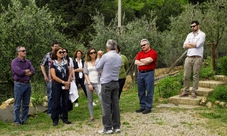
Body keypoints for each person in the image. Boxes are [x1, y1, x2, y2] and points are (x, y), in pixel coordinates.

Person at [96, 39, 122, 134]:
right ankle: (117, 126)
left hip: (106, 83)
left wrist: (99, 57)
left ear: (107, 48)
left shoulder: (105, 56)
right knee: (115, 104)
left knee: (106, 105)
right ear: (115, 47)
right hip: (115, 82)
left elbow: (97, 67)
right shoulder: (119, 57)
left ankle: (108, 127)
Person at [179, 20, 206, 98]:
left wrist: (190, 44)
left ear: (198, 26)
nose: (192, 28)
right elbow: (184, 45)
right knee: (186, 75)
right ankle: (185, 91)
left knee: (195, 75)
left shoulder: (202, 34)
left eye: (194, 26)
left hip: (197, 57)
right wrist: (193, 45)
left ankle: (194, 92)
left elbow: (198, 45)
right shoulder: (189, 35)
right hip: (189, 56)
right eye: (191, 26)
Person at [11, 46, 35, 126]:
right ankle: (17, 121)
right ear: (18, 52)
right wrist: (26, 71)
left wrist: (26, 72)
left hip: (27, 84)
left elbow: (33, 71)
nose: (25, 52)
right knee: (17, 103)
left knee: (26, 103)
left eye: (25, 50)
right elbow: (18, 72)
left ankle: (23, 120)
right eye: (23, 51)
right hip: (19, 84)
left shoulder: (27, 62)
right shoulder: (14, 62)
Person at [50, 47, 72, 126]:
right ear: (56, 54)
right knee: (56, 102)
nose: (62, 53)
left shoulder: (66, 62)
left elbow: (70, 72)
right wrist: (63, 82)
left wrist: (68, 82)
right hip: (57, 84)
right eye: (60, 52)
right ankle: (55, 119)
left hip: (65, 83)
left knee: (65, 102)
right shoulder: (53, 64)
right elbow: (54, 76)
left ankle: (65, 118)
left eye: (63, 52)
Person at [135, 38, 158, 114]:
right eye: (141, 46)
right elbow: (136, 62)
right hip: (140, 73)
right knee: (140, 90)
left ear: (148, 44)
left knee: (149, 90)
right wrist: (145, 62)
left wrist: (142, 60)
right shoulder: (139, 53)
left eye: (144, 45)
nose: (143, 47)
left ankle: (148, 107)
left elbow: (149, 60)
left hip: (149, 73)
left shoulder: (153, 52)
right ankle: (142, 106)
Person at [84, 47, 102, 122]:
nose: (93, 54)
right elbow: (85, 73)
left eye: (94, 52)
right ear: (89, 54)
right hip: (89, 82)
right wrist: (89, 83)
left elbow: (101, 71)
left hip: (98, 82)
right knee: (90, 100)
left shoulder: (99, 61)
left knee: (101, 98)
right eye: (91, 53)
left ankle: (105, 114)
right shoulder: (86, 63)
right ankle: (91, 116)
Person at [40, 41, 59, 116]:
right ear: (52, 47)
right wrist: (45, 75)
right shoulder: (48, 55)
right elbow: (42, 65)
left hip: (59, 78)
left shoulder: (60, 54)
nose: (56, 47)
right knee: (50, 95)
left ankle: (58, 110)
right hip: (50, 78)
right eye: (54, 46)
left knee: (58, 95)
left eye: (57, 46)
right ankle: (50, 111)